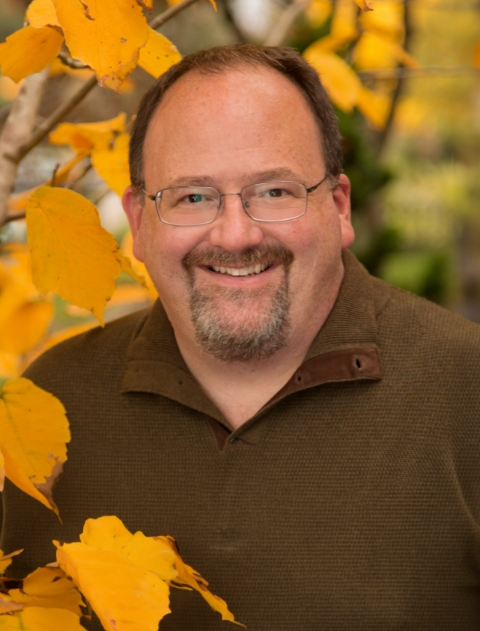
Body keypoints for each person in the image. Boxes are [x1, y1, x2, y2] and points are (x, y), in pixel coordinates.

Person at [2, 44, 480, 630]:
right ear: (139, 223)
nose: (235, 235)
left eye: (275, 191)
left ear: (338, 206)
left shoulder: (466, 391)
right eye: (193, 197)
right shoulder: (50, 406)